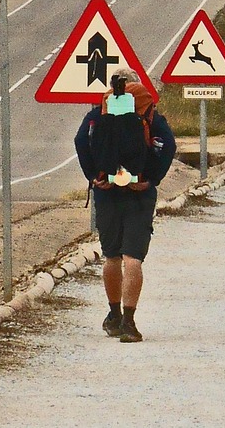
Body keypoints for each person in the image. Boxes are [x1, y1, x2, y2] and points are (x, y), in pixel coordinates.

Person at [74, 67, 176, 343]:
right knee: (133, 259)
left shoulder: (99, 112)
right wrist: (151, 179)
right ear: (137, 87)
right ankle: (130, 323)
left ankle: (114, 315)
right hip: (139, 193)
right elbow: (168, 146)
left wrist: (95, 177)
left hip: (107, 192)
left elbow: (81, 141)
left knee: (112, 257)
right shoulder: (150, 114)